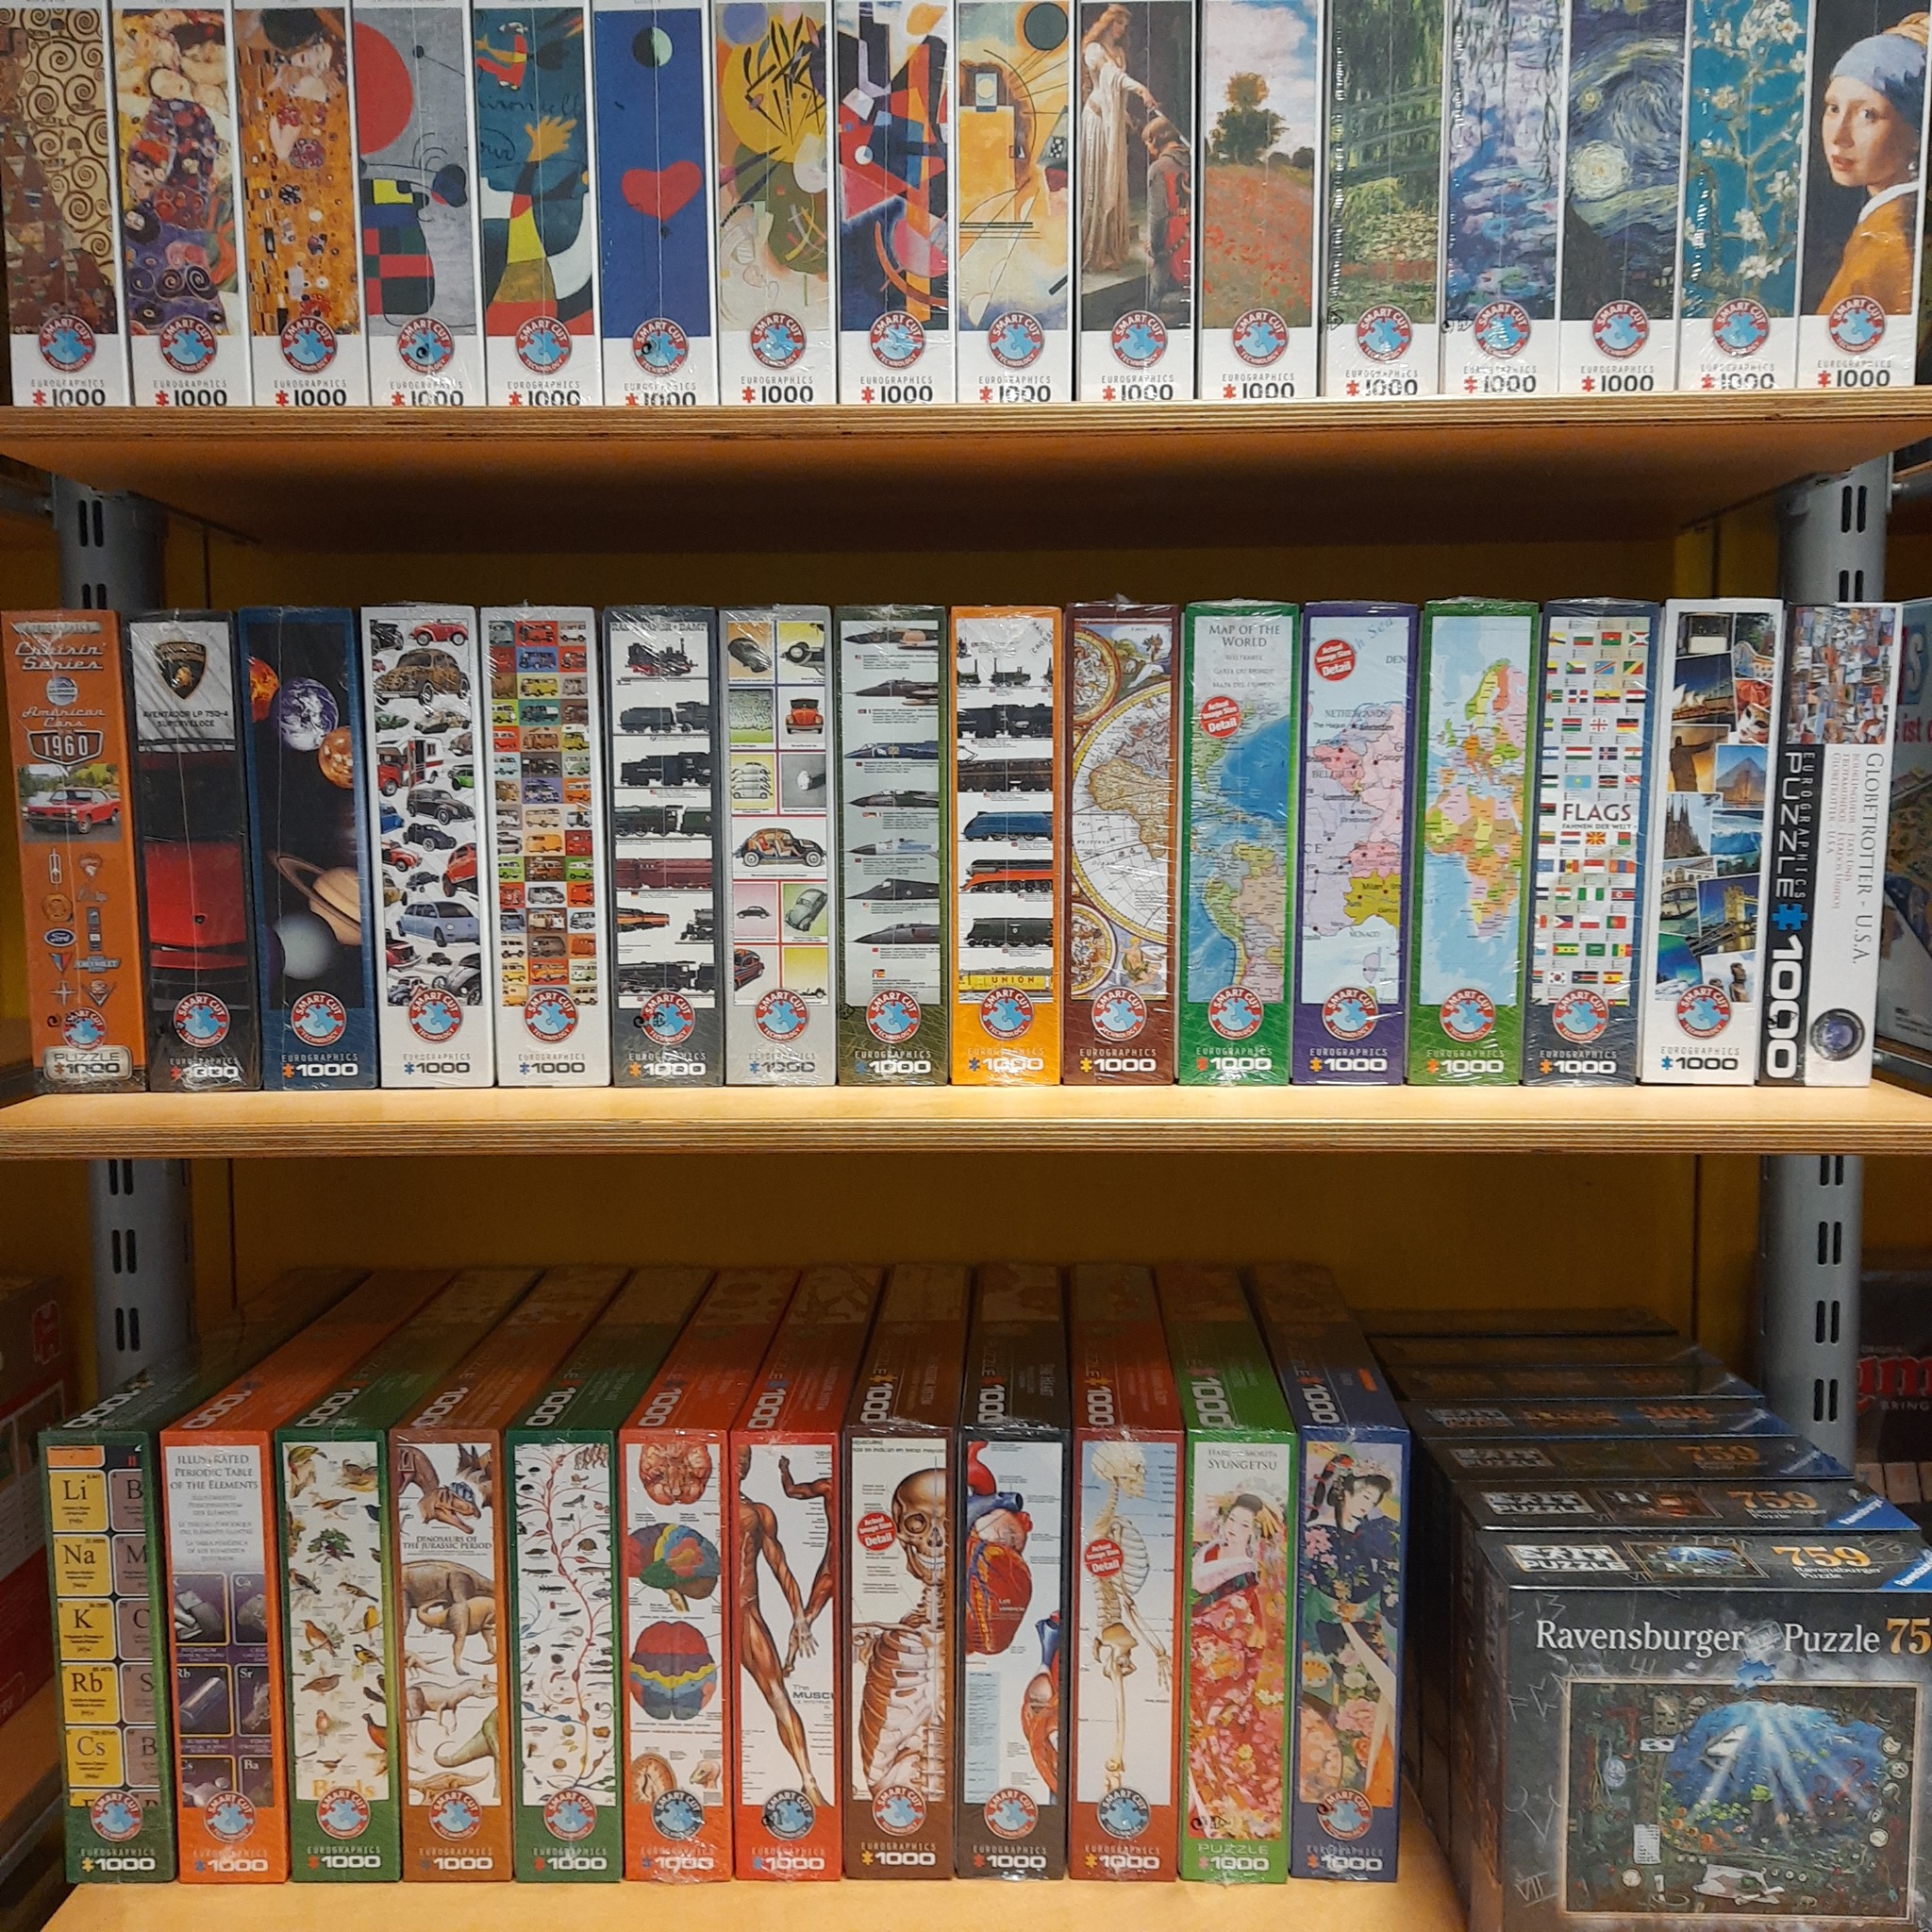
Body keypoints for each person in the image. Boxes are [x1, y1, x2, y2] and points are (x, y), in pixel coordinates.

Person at [1816, 13, 1928, 315]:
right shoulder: (1887, 223)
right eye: (1833, 108)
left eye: (1868, 114)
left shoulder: (1888, 241)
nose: (1839, 136)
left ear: (1916, 133)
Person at [1079, 5, 1157, 273]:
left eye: (1124, 25)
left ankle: (1110, 247)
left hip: (1113, 123)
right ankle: (1094, 251)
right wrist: (1142, 89)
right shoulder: (1093, 50)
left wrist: (1126, 119)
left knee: (1112, 182)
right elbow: (1112, 78)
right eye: (1118, 23)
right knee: (1099, 183)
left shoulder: (1120, 53)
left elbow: (1117, 92)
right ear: (1107, 23)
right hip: (1097, 121)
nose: (1121, 29)